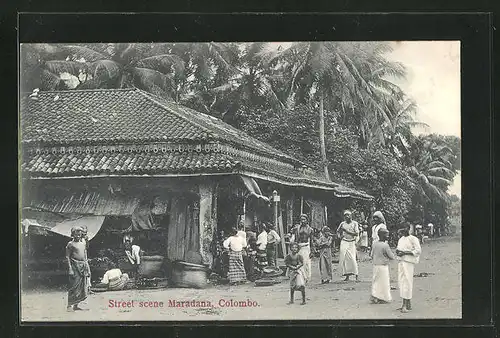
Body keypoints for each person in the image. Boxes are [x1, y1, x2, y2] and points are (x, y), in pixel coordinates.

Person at [396, 223, 422, 313]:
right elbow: (398, 249)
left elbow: (418, 251)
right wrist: (398, 252)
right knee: (401, 282)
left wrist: (405, 253)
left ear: (408, 228)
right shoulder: (401, 239)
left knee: (407, 282)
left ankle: (404, 304)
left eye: (404, 228)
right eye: (401, 229)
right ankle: (408, 303)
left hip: (408, 263)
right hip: (401, 262)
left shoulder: (413, 239)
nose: (402, 230)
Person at [65, 226, 91, 312]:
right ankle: (69, 305)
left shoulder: (83, 242)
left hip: (83, 266)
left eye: (80, 233)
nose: (78, 235)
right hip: (74, 266)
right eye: (76, 233)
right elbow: (67, 257)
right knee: (74, 286)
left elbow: (85, 252)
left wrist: (87, 266)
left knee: (81, 286)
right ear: (73, 234)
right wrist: (70, 269)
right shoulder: (70, 244)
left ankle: (76, 305)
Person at [370, 228, 396, 304]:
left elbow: (371, 255)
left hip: (375, 265)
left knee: (376, 281)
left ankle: (375, 296)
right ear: (383, 235)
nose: (387, 236)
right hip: (383, 266)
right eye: (386, 234)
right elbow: (391, 256)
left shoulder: (374, 244)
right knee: (384, 282)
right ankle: (384, 297)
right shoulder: (385, 245)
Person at [289, 214, 313, 283]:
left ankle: (307, 278)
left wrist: (312, 250)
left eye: (304, 219)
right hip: (299, 246)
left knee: (306, 263)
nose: (303, 221)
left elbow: (311, 241)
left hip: (306, 247)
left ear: (307, 220)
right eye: (301, 219)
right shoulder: (297, 228)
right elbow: (292, 234)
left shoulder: (310, 229)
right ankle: (300, 277)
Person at [337, 210, 360, 282]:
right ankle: (347, 276)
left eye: (348, 215)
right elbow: (338, 231)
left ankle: (356, 275)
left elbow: (356, 233)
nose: (347, 216)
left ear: (351, 216)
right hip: (344, 242)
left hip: (351, 242)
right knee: (344, 259)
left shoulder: (355, 223)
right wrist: (339, 236)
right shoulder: (342, 223)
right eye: (345, 215)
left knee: (353, 258)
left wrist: (346, 231)